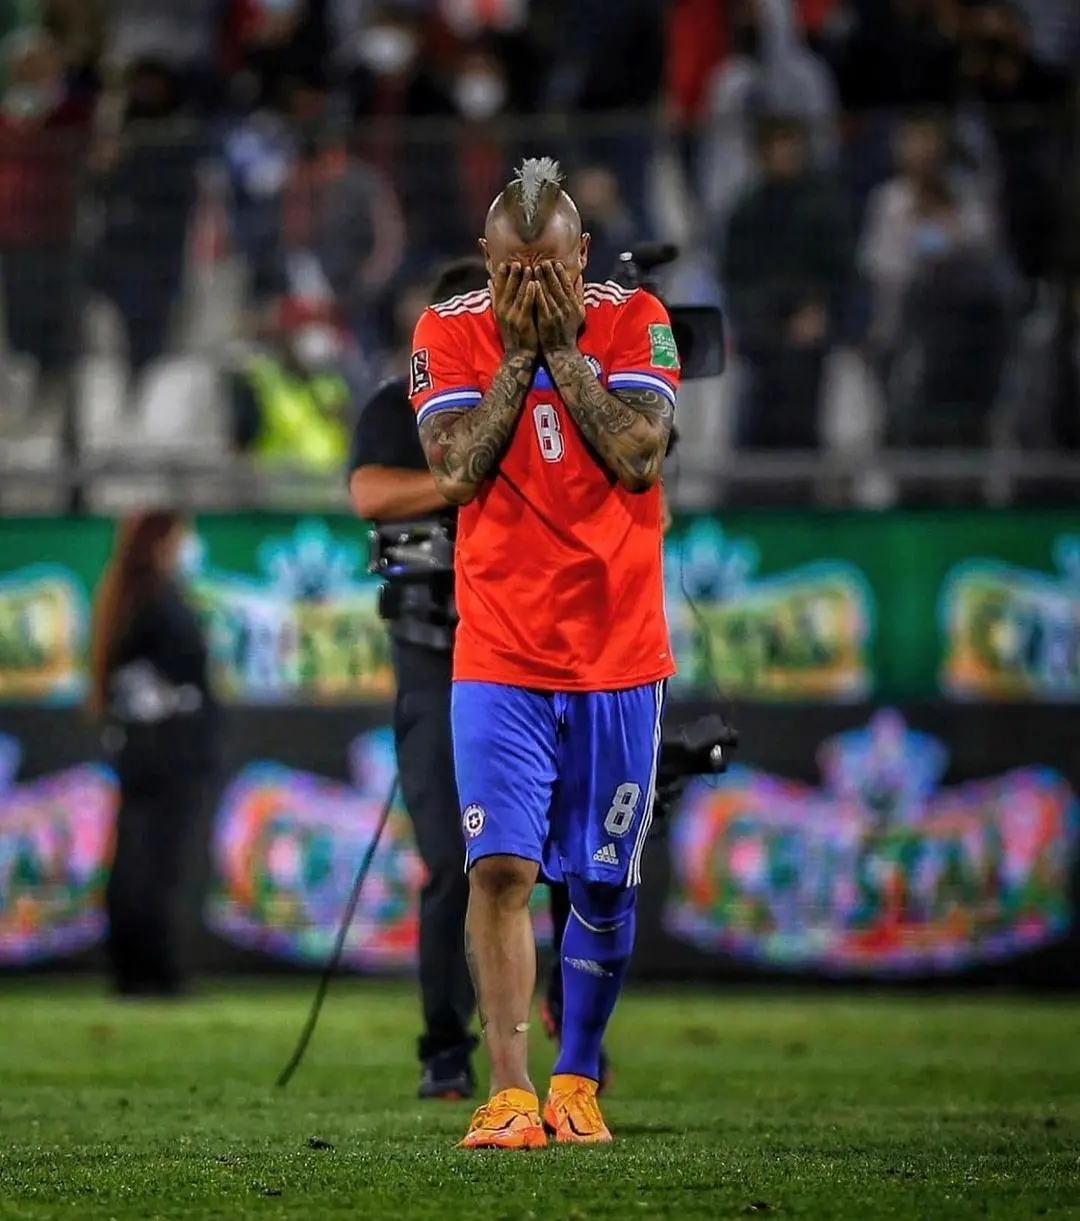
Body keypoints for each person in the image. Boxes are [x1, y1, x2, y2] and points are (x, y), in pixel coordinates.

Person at [410, 157, 678, 1148]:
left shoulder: (636, 318)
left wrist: (562, 354)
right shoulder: (446, 331)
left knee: (601, 882)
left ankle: (578, 1079)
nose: (530, 287)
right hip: (500, 652)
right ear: (485, 260)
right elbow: (453, 469)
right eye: (511, 272)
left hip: (617, 653)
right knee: (499, 871)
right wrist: (519, 359)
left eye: (550, 269)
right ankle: (511, 1090)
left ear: (584, 255)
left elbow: (639, 454)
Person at [349, 257, 611, 1100]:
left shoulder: (553, 393)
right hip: (437, 647)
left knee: (572, 856)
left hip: (538, 643)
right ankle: (444, 1045)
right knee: (452, 857)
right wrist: (463, 481)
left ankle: (576, 1040)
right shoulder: (396, 404)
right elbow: (369, 493)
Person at [88, 510, 218, 998]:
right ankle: (152, 968)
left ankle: (133, 965)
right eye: (182, 538)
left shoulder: (129, 600)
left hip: (141, 747)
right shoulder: (158, 603)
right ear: (161, 544)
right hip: (167, 749)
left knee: (136, 855)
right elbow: (176, 675)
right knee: (155, 861)